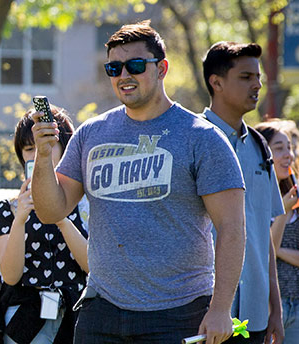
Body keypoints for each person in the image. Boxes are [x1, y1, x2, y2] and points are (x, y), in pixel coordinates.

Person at [30, 20, 246, 343]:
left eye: (135, 65)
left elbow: (232, 229)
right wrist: (43, 157)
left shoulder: (201, 138)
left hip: (178, 312)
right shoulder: (91, 134)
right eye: (114, 68)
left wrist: (220, 309)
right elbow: (51, 211)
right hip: (101, 309)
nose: (124, 76)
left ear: (162, 68)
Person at [201, 41, 285, 344]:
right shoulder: (193, 140)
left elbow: (264, 237)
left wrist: (274, 309)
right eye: (246, 77)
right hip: (203, 314)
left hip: (255, 317)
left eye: (258, 77)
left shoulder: (261, 147)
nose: (257, 85)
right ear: (217, 82)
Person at [0, 108, 88, 344]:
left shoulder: (84, 203)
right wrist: (20, 217)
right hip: (24, 317)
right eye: (30, 149)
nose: (38, 154)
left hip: (75, 317)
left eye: (46, 146)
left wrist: (58, 213)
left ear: (65, 149)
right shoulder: (8, 208)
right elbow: (10, 275)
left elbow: (92, 265)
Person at [257, 121, 299, 343]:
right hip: (267, 307)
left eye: (289, 148)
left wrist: (277, 249)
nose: (288, 155)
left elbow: (270, 248)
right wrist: (283, 211)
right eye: (279, 148)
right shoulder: (254, 200)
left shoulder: (296, 196)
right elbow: (264, 256)